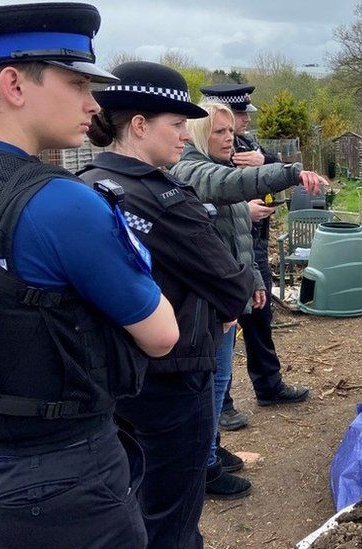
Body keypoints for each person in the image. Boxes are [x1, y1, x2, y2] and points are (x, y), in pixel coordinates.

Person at [0, 4, 179, 548]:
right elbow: (161, 334)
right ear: (13, 85)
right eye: (76, 84)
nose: (93, 104)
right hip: (57, 482)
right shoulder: (61, 205)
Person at [78, 62, 255, 545]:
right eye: (176, 124)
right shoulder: (165, 199)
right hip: (173, 377)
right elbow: (232, 287)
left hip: (112, 375)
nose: (184, 136)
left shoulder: (88, 183)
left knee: (130, 495)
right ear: (139, 125)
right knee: (174, 512)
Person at [171, 101, 326, 499]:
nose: (230, 138)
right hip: (207, 301)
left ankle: (212, 447)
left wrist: (254, 279)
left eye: (230, 131)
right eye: (220, 132)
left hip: (228, 295)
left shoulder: (217, 166)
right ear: (201, 134)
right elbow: (228, 190)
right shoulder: (191, 169)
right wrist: (290, 173)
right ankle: (203, 466)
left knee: (221, 379)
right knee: (210, 384)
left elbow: (241, 237)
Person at [200, 84, 309, 433]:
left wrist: (268, 162)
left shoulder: (247, 146)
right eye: (229, 123)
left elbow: (267, 172)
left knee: (260, 316)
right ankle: (224, 404)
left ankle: (269, 385)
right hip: (226, 250)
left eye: (238, 121)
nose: (242, 123)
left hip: (253, 245)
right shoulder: (206, 157)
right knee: (225, 329)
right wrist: (242, 209)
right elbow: (225, 187)